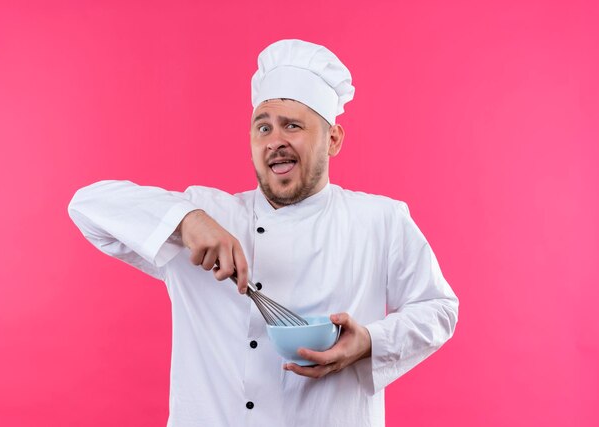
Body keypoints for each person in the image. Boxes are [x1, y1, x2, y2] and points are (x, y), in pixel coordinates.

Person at [68, 39, 459, 427]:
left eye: (293, 125)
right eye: (263, 126)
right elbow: (86, 206)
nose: (275, 141)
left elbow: (439, 309)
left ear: (333, 139)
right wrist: (186, 219)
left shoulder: (380, 220)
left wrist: (370, 342)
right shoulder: (209, 216)